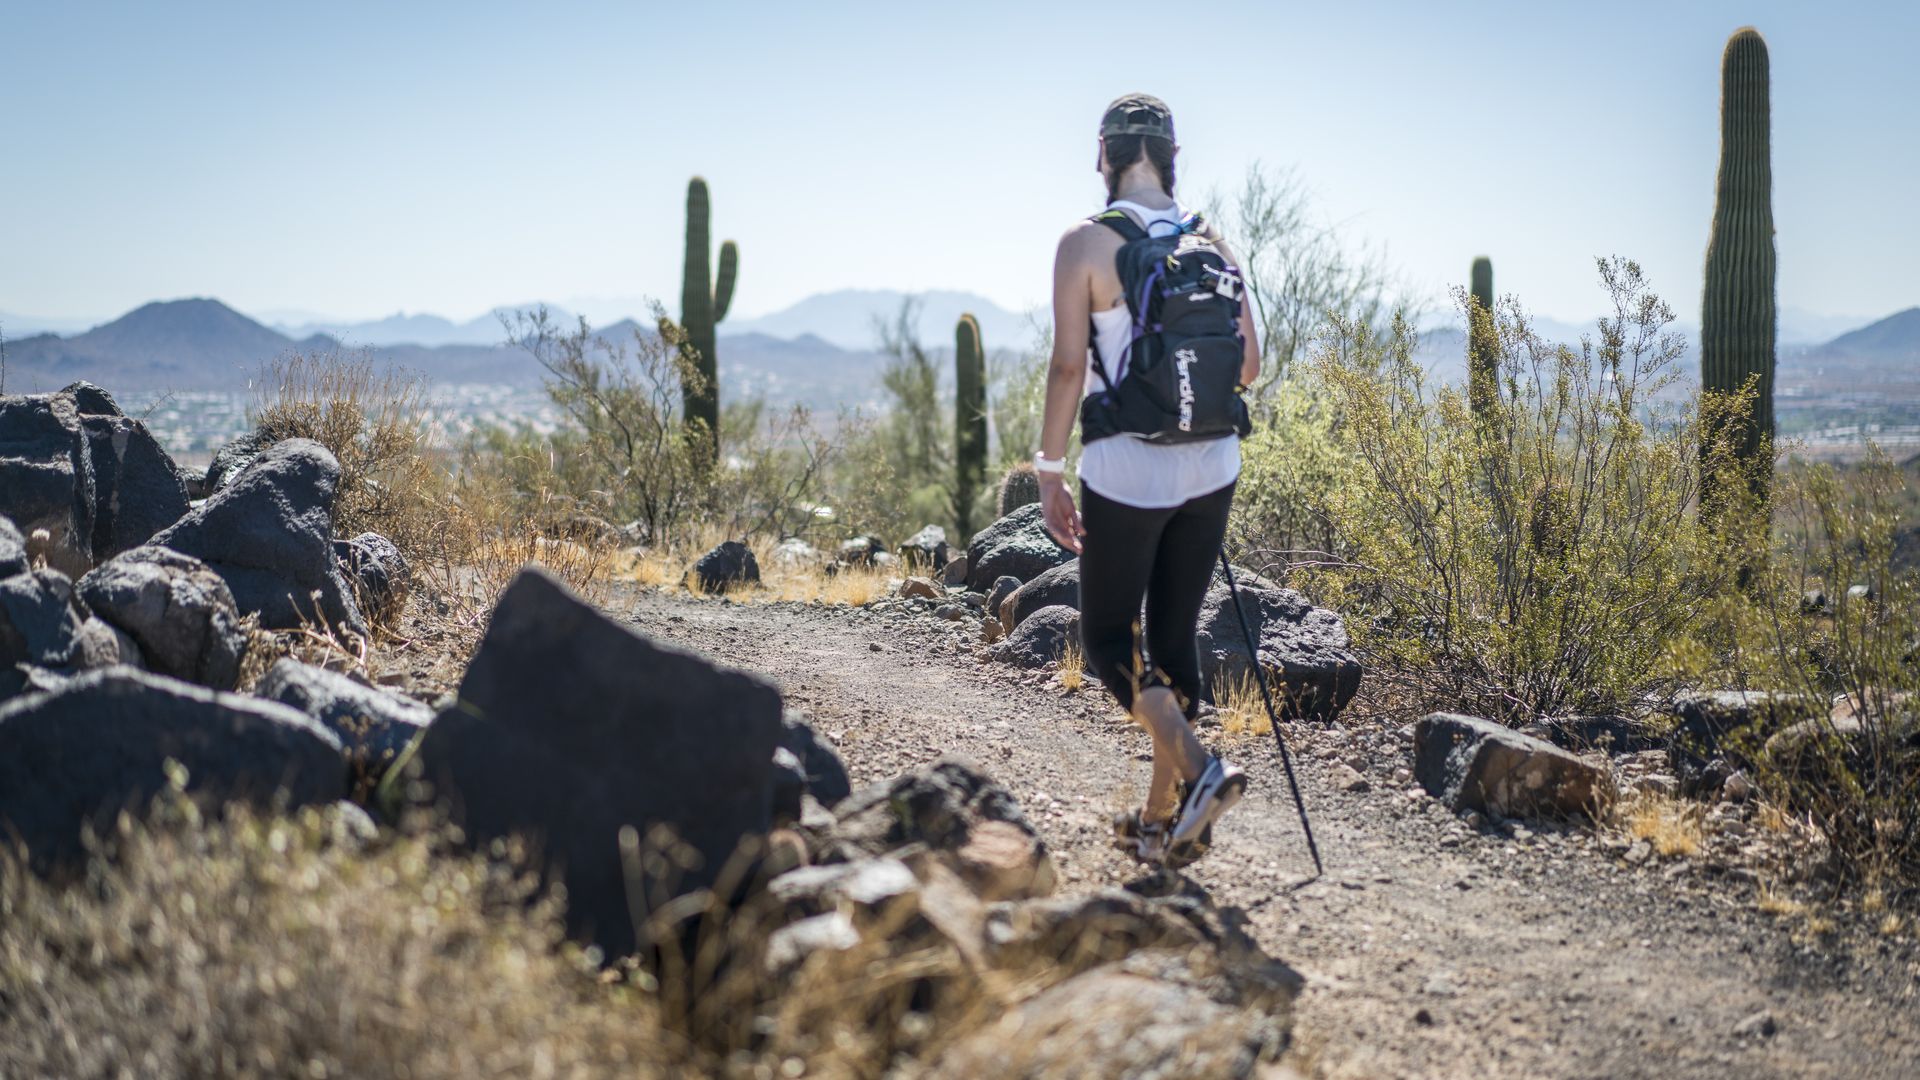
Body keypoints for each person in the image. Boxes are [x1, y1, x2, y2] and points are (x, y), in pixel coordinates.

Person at [1034, 93, 1260, 867]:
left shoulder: (1086, 244)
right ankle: (1162, 827)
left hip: (1128, 467)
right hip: (1214, 464)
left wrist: (1048, 472)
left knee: (1106, 638)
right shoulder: (1215, 244)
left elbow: (1069, 365)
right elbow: (1251, 366)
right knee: (1173, 643)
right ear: (1170, 157)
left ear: (1105, 155)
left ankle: (1201, 771)